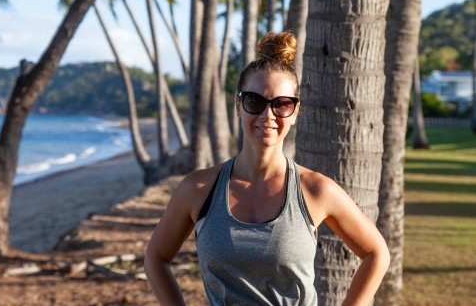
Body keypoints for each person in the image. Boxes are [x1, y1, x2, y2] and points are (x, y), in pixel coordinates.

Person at [144, 31, 390, 306]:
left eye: (282, 104)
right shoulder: (198, 189)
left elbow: (376, 253)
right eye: (254, 101)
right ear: (238, 106)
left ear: (295, 113)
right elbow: (156, 258)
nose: (267, 115)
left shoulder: (316, 190)